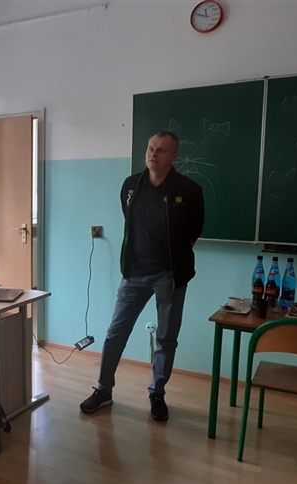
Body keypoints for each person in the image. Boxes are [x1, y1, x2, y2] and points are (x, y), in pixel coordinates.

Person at [80, 131, 205, 421]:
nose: (153, 154)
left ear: (174, 156)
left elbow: (195, 229)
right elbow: (130, 220)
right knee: (115, 333)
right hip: (134, 272)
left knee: (166, 338)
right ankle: (103, 390)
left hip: (170, 276)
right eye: (150, 148)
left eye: (161, 150)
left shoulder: (189, 190)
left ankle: (157, 393)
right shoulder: (131, 185)